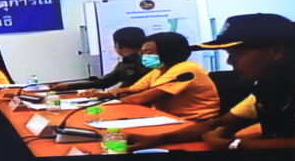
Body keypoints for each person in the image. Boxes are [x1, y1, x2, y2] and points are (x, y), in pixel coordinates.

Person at [125, 15, 295, 151]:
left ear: (276, 51)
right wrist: (156, 140)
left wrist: (233, 144)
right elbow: (218, 124)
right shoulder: (270, 84)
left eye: (238, 54)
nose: (229, 62)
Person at [87, 33, 219, 122]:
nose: (143, 57)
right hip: (168, 119)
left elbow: (138, 98)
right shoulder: (159, 70)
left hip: (195, 122)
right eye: (143, 53)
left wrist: (115, 96)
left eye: (148, 52)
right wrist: (104, 94)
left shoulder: (186, 68)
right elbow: (132, 90)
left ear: (167, 52)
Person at [52, 26, 149, 91]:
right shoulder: (149, 61)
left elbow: (104, 83)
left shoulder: (126, 65)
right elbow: (104, 82)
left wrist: (68, 86)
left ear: (117, 45)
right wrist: (68, 86)